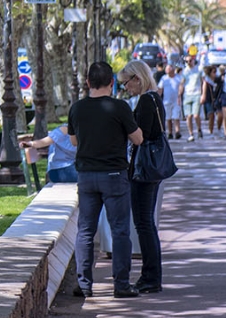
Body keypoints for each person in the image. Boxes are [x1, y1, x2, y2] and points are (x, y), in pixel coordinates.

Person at [68, 60, 143, 299]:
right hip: (114, 176)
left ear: (88, 83)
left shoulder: (77, 108)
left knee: (86, 231)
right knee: (120, 230)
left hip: (87, 176)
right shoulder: (120, 108)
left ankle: (85, 284)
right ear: (112, 83)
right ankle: (121, 284)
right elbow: (138, 138)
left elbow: (73, 141)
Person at [117, 59, 168, 293]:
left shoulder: (147, 100)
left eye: (127, 83)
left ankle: (151, 276)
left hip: (144, 168)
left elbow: (140, 135)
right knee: (146, 223)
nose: (126, 88)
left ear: (137, 79)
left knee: (144, 223)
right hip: (150, 167)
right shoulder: (154, 98)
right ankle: (151, 275)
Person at [181, 55, 203, 141]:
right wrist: (179, 95)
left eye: (190, 61)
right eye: (186, 61)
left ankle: (199, 129)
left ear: (193, 61)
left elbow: (203, 82)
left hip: (197, 93)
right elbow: (182, 83)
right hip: (187, 94)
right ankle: (191, 134)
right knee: (189, 116)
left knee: (196, 115)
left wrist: (203, 94)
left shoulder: (198, 70)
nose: (188, 63)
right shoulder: (184, 71)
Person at [158, 64, 183, 140]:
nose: (167, 70)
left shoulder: (178, 78)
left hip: (176, 100)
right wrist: (158, 98)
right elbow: (160, 89)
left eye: (169, 69)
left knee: (176, 117)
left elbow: (181, 87)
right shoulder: (164, 78)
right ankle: (170, 132)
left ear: (173, 69)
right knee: (168, 117)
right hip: (166, 100)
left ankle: (177, 131)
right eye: (167, 69)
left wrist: (179, 95)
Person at [201, 65, 219, 136]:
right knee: (211, 115)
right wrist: (203, 97)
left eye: (215, 72)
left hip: (216, 99)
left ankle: (218, 128)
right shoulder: (207, 81)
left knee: (218, 115)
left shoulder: (217, 80)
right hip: (209, 100)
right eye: (213, 72)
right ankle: (210, 130)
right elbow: (204, 91)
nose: (215, 74)